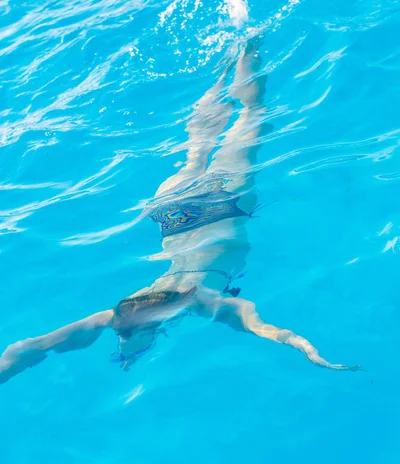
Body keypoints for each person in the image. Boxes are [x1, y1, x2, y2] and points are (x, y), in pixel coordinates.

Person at [0, 37, 360, 384]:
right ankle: (227, 62)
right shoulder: (120, 313)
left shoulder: (203, 302)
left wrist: (311, 353)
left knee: (251, 115)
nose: (120, 341)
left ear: (150, 325)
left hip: (221, 209)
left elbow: (263, 328)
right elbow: (26, 347)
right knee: (197, 148)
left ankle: (249, 45)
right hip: (171, 211)